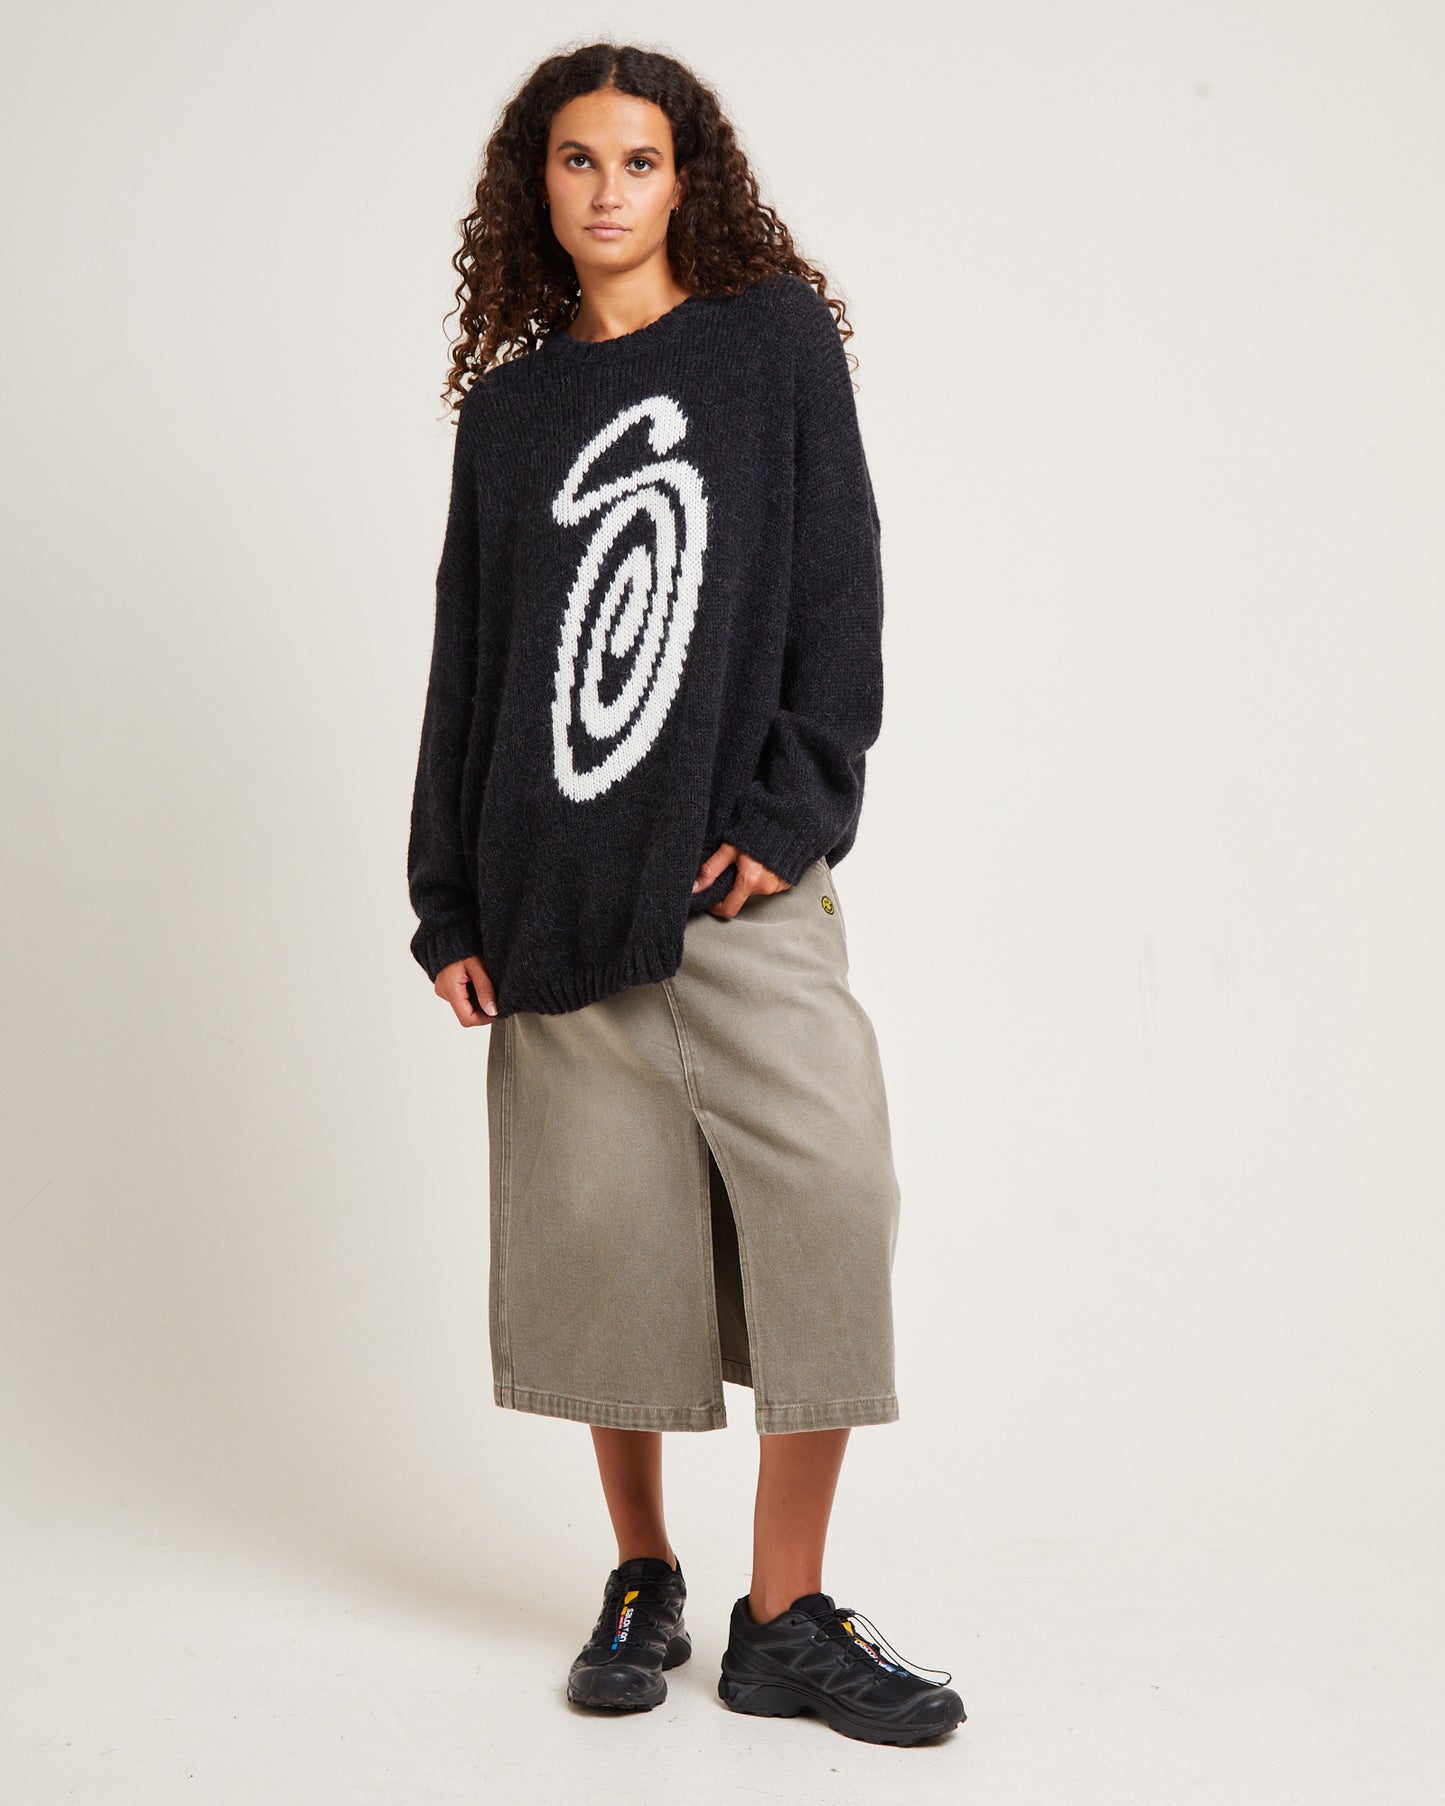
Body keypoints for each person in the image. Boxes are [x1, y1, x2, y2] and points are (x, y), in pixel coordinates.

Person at [406, 41, 965, 1748]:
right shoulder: (510, 415)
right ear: (534, 185)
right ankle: (641, 1571)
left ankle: (785, 1609)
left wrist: (795, 809)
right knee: (606, 1241)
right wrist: (449, 901)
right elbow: (472, 658)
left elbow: (838, 586)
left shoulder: (771, 344)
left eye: (637, 161)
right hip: (554, 893)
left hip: (735, 888)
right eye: (575, 160)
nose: (606, 191)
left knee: (831, 1197)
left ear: (684, 180)